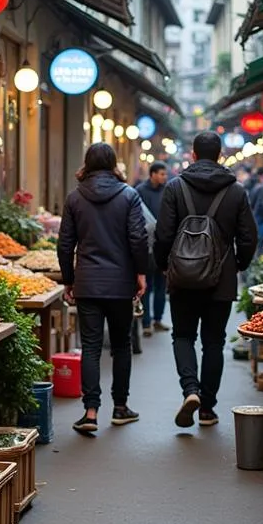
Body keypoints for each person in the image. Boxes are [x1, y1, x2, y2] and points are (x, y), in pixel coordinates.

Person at [154, 131, 258, 428]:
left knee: (183, 336)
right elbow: (248, 237)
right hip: (221, 280)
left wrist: (164, 266)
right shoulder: (236, 191)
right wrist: (237, 265)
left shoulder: (175, 187)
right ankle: (208, 409)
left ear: (194, 155)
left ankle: (190, 390)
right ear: (221, 155)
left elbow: (162, 234)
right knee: (214, 342)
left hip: (183, 278)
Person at [57, 143, 148, 434]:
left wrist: (69, 279)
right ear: (113, 165)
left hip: (87, 282)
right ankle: (120, 408)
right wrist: (141, 273)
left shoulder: (75, 198)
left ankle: (91, 411)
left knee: (91, 347)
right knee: (121, 346)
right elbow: (138, 238)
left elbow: (65, 244)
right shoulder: (129, 195)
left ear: (87, 164)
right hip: (120, 283)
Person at [136, 161, 169, 336]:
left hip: (163, 244)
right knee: (146, 286)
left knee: (161, 285)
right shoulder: (140, 191)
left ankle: (158, 319)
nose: (165, 177)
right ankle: (146, 321)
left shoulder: (168, 190)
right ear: (153, 174)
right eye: (162, 174)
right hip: (146, 245)